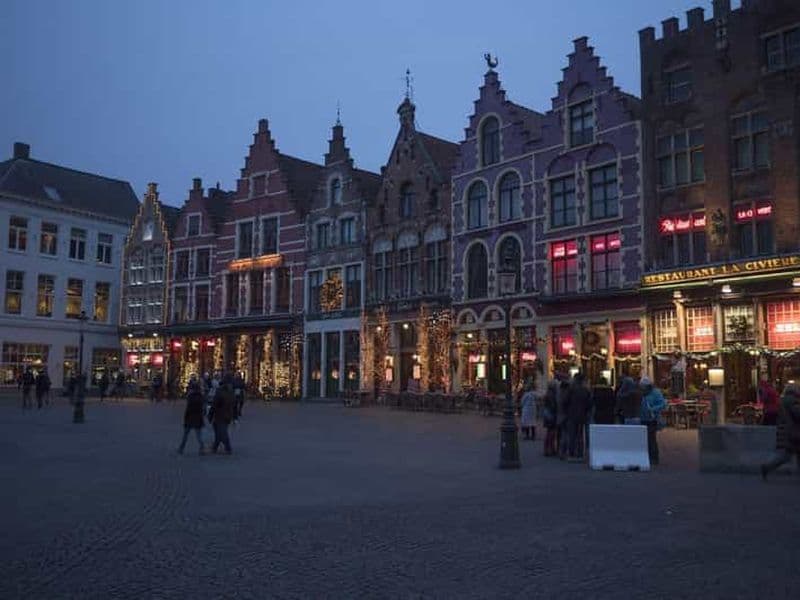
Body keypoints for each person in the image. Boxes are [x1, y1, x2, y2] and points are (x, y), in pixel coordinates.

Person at [761, 383, 800, 480]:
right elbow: (798, 414)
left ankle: (767, 467)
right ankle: (767, 467)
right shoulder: (792, 401)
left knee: (788, 455)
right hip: (795, 432)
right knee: (788, 455)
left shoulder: (784, 400)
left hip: (789, 431)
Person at [565, 373, 592, 460]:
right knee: (580, 434)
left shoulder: (571, 389)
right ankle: (580, 452)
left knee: (572, 434)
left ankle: (571, 452)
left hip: (572, 414)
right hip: (582, 415)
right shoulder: (586, 390)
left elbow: (565, 401)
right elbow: (589, 404)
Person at [640, 377, 666, 465]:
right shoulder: (640, 393)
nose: (642, 388)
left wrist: (652, 409)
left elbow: (662, 404)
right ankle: (645, 456)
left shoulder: (656, 393)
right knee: (643, 438)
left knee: (651, 438)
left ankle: (654, 457)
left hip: (652, 419)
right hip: (641, 418)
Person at [178, 376, 206, 455]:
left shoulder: (190, 397)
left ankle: (181, 448)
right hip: (198, 418)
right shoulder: (201, 397)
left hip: (190, 418)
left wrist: (185, 417)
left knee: (185, 435)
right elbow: (203, 409)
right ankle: (202, 448)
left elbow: (188, 409)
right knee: (199, 435)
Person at [209, 374, 235, 454]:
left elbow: (215, 403)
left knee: (222, 431)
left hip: (220, 414)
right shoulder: (231, 392)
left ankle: (228, 447)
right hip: (226, 415)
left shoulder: (221, 391)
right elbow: (233, 405)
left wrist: (211, 414)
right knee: (219, 431)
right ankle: (215, 447)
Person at [542, 380, 559, 456]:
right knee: (551, 432)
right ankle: (550, 449)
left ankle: (548, 448)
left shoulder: (548, 394)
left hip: (547, 414)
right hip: (551, 415)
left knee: (549, 432)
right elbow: (553, 406)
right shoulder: (552, 395)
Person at [556, 378, 570, 459]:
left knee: (561, 434)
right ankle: (563, 452)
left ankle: (560, 451)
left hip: (560, 416)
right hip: (565, 416)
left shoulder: (559, 394)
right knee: (565, 435)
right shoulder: (565, 395)